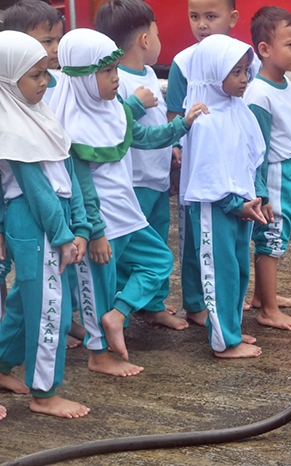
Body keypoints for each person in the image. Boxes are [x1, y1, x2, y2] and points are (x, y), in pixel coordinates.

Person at [49, 28, 206, 377]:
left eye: (116, 70)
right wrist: (95, 231)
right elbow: (82, 188)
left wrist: (182, 125)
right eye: (106, 72)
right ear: (83, 78)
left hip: (127, 213)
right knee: (97, 286)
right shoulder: (70, 125)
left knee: (159, 261)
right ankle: (98, 354)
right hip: (100, 224)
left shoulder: (114, 108)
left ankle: (117, 315)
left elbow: (143, 138)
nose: (115, 79)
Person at [0, 30, 92, 418]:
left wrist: (80, 224)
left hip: (50, 219)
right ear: (7, 76)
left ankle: (2, 365)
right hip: (36, 221)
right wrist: (63, 234)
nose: (46, 81)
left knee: (24, 304)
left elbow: (67, 173)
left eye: (45, 72)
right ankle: (45, 393)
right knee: (50, 308)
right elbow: (37, 190)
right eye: (35, 74)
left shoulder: (35, 113)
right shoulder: (11, 125)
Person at [166, 0, 260, 329]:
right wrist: (177, 147)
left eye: (211, 16)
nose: (202, 24)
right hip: (200, 167)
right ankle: (196, 303)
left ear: (232, 18)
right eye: (195, 17)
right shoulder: (184, 61)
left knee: (226, 252)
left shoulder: (238, 63)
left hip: (229, 167)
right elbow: (175, 111)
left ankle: (221, 312)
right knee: (196, 237)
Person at [95, 0, 188, 331]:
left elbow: (158, 122)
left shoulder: (148, 72)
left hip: (157, 178)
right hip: (132, 183)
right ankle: (117, 304)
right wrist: (134, 104)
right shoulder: (114, 79)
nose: (159, 40)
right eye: (158, 33)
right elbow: (117, 128)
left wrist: (173, 146)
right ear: (145, 40)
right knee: (128, 249)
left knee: (158, 239)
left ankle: (153, 304)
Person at [180, 34, 267, 358]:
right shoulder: (205, 120)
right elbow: (208, 174)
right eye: (236, 72)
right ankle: (223, 342)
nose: (245, 79)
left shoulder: (238, 110)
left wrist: (255, 196)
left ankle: (231, 329)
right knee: (220, 274)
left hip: (242, 206)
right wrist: (236, 205)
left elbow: (251, 157)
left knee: (238, 271)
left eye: (246, 71)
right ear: (214, 73)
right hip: (216, 210)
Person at [243, 6, 291, 331]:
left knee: (279, 235)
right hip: (276, 173)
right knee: (271, 237)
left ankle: (261, 296)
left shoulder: (283, 84)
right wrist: (262, 191)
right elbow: (258, 149)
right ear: (265, 50)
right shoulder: (259, 93)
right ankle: (268, 310)